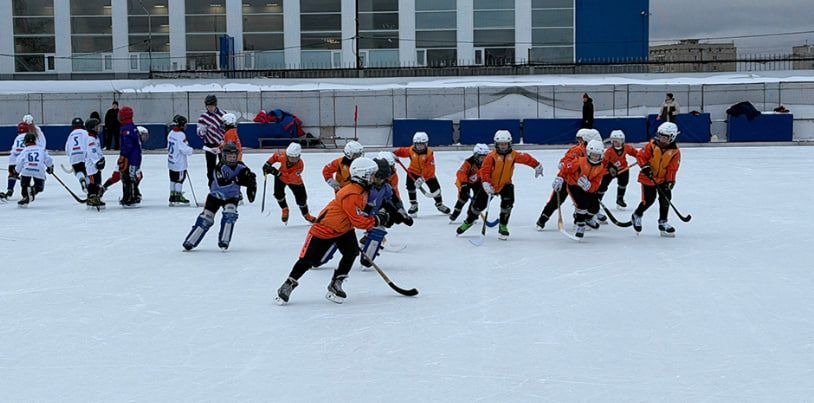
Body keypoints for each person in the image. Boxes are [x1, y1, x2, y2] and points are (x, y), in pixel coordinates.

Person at [275, 157, 386, 305]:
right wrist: (378, 220)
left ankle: (336, 283)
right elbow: (358, 221)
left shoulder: (362, 190)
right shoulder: (352, 193)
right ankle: (288, 284)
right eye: (372, 175)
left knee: (351, 253)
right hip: (324, 229)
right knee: (308, 261)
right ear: (363, 175)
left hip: (344, 229)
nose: (374, 178)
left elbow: (360, 208)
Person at [456, 130, 543, 240]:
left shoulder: (513, 155)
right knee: (477, 207)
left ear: (509, 144)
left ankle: (503, 225)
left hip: (505, 184)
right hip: (490, 186)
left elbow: (526, 158)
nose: (503, 146)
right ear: (496, 144)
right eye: (501, 144)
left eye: (505, 144)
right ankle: (469, 221)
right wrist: (486, 183)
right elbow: (484, 171)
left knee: (508, 204)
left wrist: (536, 165)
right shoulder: (491, 156)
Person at [182, 142, 257, 251]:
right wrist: (237, 179)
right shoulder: (219, 168)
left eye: (234, 156)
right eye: (229, 156)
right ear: (224, 156)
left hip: (232, 197)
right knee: (206, 219)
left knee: (230, 215)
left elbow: (249, 180)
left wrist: (251, 183)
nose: (232, 159)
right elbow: (222, 182)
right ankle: (190, 242)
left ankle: (224, 242)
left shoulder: (241, 167)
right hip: (215, 197)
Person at [535, 128, 602, 230]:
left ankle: (582, 220)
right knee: (556, 201)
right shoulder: (577, 150)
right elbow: (566, 164)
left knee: (584, 202)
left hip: (581, 183)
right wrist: (560, 177)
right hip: (568, 180)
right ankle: (543, 218)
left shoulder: (596, 152)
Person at [632, 122, 681, 237]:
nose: (661, 139)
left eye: (665, 137)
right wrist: (645, 167)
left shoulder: (675, 152)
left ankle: (663, 222)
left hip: (663, 179)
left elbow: (672, 168)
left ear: (672, 137)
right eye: (660, 136)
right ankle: (637, 215)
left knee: (666, 198)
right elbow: (640, 156)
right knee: (649, 200)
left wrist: (670, 181)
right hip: (648, 178)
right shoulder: (652, 145)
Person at [393, 131, 450, 216]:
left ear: (426, 144)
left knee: (435, 188)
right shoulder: (411, 150)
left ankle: (439, 204)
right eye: (417, 144)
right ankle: (413, 205)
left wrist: (423, 178)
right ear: (414, 144)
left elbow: (430, 169)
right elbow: (402, 151)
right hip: (413, 172)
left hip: (427, 174)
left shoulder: (429, 154)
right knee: (410, 187)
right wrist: (393, 153)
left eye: (422, 144)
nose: (419, 147)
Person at [561, 140, 607, 238]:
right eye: (593, 155)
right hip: (574, 185)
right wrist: (559, 178)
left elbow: (596, 183)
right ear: (588, 154)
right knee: (583, 204)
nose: (595, 157)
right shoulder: (580, 161)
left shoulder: (601, 167)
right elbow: (566, 169)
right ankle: (580, 224)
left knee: (595, 207)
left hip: (587, 187)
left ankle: (587, 219)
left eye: (597, 155)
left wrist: (589, 186)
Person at [262, 142, 316, 224]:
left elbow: (290, 178)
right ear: (287, 155)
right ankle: (284, 209)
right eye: (290, 157)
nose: (292, 160)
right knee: (278, 194)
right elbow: (274, 157)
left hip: (295, 181)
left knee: (302, 199)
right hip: (280, 176)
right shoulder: (282, 156)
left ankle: (306, 215)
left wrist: (276, 173)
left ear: (299, 156)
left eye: (295, 158)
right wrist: (267, 164)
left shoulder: (300, 165)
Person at [597, 130, 638, 210]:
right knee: (603, 185)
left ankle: (620, 199)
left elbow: (637, 153)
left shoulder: (627, 147)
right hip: (610, 171)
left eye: (619, 141)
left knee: (623, 183)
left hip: (623, 169)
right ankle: (598, 200)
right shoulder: (609, 151)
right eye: (615, 141)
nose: (617, 143)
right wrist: (610, 168)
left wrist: (641, 158)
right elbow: (604, 162)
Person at [450, 143, 489, 222]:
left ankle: (471, 214)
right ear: (476, 156)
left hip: (477, 182)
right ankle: (456, 211)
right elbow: (460, 173)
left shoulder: (487, 164)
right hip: (464, 181)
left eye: (485, 157)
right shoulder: (469, 162)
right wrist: (464, 184)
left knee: (477, 198)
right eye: (482, 158)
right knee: (463, 197)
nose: (484, 160)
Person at [14, 133, 54, 207]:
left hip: (27, 169)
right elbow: (48, 160)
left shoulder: (25, 150)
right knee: (39, 187)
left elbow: (20, 162)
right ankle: (33, 190)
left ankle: (25, 197)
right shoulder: (41, 149)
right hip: (38, 169)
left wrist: (16, 172)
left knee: (24, 184)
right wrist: (50, 167)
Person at [118, 106, 143, 207]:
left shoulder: (126, 129)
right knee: (131, 176)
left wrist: (123, 155)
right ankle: (135, 195)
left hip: (131, 157)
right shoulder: (132, 126)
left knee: (128, 177)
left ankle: (130, 198)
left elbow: (127, 145)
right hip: (136, 156)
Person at [197, 94, 225, 186]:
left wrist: (224, 140)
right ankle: (212, 187)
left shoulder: (223, 114)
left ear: (215, 105)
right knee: (210, 168)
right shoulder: (203, 117)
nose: (210, 108)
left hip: (222, 144)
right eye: (208, 106)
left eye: (212, 106)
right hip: (210, 145)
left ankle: (224, 185)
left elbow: (228, 129)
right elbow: (199, 134)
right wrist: (202, 131)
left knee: (224, 166)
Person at [167, 115, 194, 207]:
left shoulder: (171, 133)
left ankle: (172, 195)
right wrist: (190, 150)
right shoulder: (181, 135)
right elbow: (183, 148)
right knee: (180, 179)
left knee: (173, 179)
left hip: (171, 162)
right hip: (179, 163)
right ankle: (178, 196)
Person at [83, 118, 106, 209]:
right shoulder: (91, 139)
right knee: (93, 183)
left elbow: (97, 150)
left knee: (97, 182)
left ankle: (96, 197)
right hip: (92, 167)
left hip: (96, 167)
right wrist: (97, 161)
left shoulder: (95, 138)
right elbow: (91, 152)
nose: (99, 128)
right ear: (92, 128)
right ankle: (92, 197)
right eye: (97, 127)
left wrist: (102, 158)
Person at [2, 122, 29, 201]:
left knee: (11, 174)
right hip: (24, 159)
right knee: (26, 175)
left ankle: (10, 189)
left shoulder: (17, 138)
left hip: (13, 159)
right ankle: (27, 192)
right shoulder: (29, 136)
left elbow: (14, 149)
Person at [64, 117, 89, 192]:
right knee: (87, 172)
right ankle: (89, 186)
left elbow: (67, 149)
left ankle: (82, 180)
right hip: (84, 155)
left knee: (78, 171)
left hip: (74, 155)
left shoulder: (71, 135)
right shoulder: (85, 133)